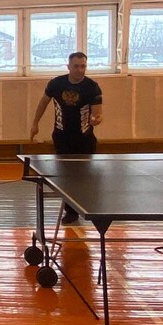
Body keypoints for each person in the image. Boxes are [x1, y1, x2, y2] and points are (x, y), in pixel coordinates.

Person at [28, 51, 104, 223]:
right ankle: (71, 211)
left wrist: (96, 119)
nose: (80, 70)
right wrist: (35, 123)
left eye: (83, 66)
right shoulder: (56, 84)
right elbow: (43, 103)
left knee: (85, 176)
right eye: (76, 66)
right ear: (68, 67)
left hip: (84, 139)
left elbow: (98, 113)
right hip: (62, 138)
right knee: (67, 177)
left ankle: (89, 207)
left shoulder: (92, 87)